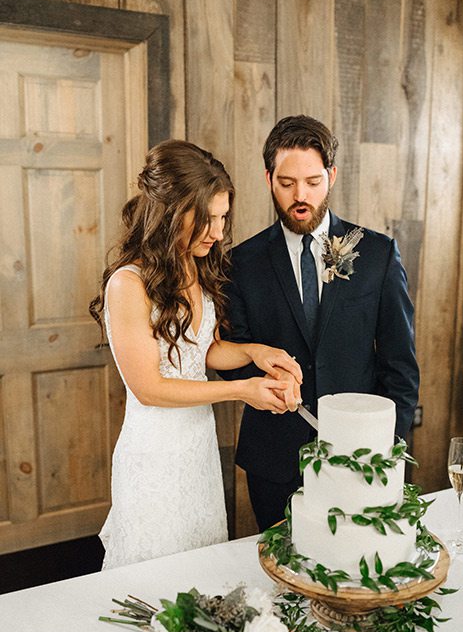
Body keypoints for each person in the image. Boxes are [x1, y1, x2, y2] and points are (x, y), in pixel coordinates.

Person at [89, 139, 302, 569]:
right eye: (207, 219)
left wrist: (255, 352)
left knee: (199, 566)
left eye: (223, 218)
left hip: (197, 450)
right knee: (154, 572)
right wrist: (242, 391)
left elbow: (199, 351)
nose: (219, 232)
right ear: (170, 213)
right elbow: (149, 388)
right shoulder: (127, 285)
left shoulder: (191, 263)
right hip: (154, 455)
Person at [219, 115, 419, 531]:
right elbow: (233, 358)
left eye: (312, 181)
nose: (300, 196)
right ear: (268, 177)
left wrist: (389, 450)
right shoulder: (242, 263)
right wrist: (266, 377)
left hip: (362, 456)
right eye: (287, 183)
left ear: (331, 175)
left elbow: (400, 367)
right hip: (274, 460)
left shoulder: (378, 255)